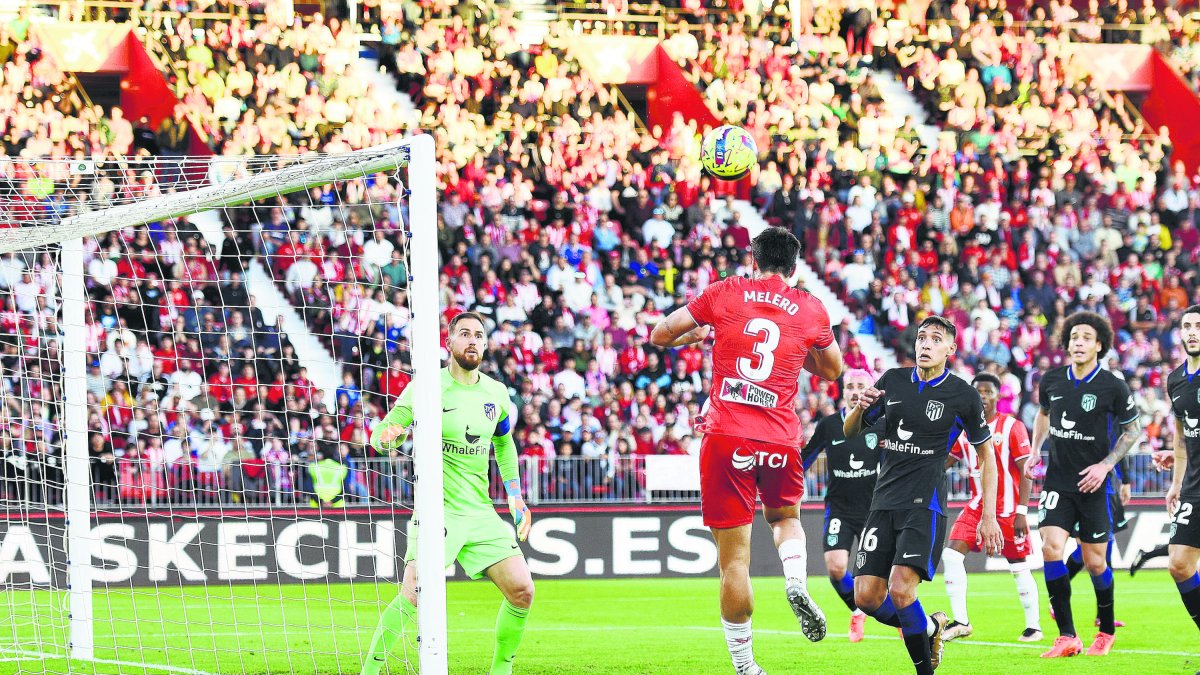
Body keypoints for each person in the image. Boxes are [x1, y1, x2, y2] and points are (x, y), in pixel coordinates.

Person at [651, 226, 843, 675]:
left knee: (734, 561)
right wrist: (800, 350)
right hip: (779, 435)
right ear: (794, 269)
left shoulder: (725, 292)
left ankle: (745, 666)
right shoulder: (810, 307)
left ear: (753, 261)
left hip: (726, 436)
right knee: (786, 519)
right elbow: (833, 370)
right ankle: (795, 579)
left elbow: (662, 334)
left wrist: (692, 337)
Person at [362, 312, 535, 675]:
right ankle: (371, 670)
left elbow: (503, 446)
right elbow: (385, 429)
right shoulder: (427, 387)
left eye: (479, 335)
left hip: (480, 512)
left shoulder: (497, 393)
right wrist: (384, 438)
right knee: (413, 594)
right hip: (437, 511)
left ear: (486, 344)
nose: (472, 340)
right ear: (449, 342)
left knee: (522, 590)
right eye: (464, 334)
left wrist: (515, 495)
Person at [844, 315, 1001, 675]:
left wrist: (989, 515)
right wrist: (859, 406)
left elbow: (986, 456)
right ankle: (931, 627)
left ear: (950, 349)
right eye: (921, 338)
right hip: (883, 502)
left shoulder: (962, 394)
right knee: (866, 596)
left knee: (901, 590)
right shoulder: (892, 382)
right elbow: (851, 430)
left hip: (924, 504)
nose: (926, 344)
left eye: (935, 339)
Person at [1025, 311, 1141, 657]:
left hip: (1095, 487)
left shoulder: (1113, 386)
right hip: (1058, 482)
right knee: (1050, 548)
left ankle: (1105, 631)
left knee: (1095, 564)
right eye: (1074, 336)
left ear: (1099, 344)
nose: (1078, 342)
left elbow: (1132, 430)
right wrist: (1035, 452)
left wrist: (1106, 467)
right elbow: (1043, 415)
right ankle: (1067, 636)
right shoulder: (1052, 381)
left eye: (1087, 337)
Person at [940, 373, 1041, 643]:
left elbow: (1026, 471)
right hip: (977, 506)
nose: (983, 396)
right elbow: (944, 463)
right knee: (951, 555)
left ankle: (1034, 626)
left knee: (1018, 565)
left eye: (988, 391)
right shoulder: (964, 430)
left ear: (998, 396)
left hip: (1008, 510)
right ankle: (961, 621)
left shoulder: (1012, 427)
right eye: (978, 392)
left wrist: (1022, 511)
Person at [801, 368, 881, 643]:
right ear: (843, 391)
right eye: (850, 386)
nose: (856, 390)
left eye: (861, 385)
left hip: (875, 509)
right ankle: (857, 611)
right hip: (839, 508)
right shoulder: (829, 425)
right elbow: (805, 458)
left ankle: (903, 618)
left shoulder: (881, 423)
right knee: (836, 568)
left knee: (885, 572)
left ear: (870, 390)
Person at [1164, 304, 1200, 632]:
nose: (1193, 332)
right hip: (1193, 484)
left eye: (1198, 326)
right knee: (1178, 564)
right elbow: (1181, 435)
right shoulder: (1175, 380)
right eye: (1187, 326)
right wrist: (1176, 482)